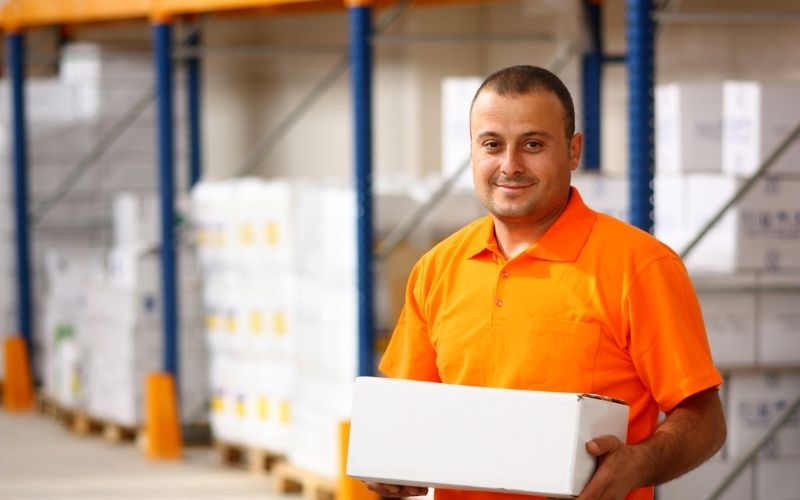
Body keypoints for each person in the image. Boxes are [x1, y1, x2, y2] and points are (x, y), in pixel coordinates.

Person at [365, 65, 726, 500]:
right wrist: (389, 458)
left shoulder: (641, 266)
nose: (510, 165)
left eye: (533, 144)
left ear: (574, 152)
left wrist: (639, 462)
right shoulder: (436, 268)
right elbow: (411, 411)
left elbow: (705, 421)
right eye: (492, 145)